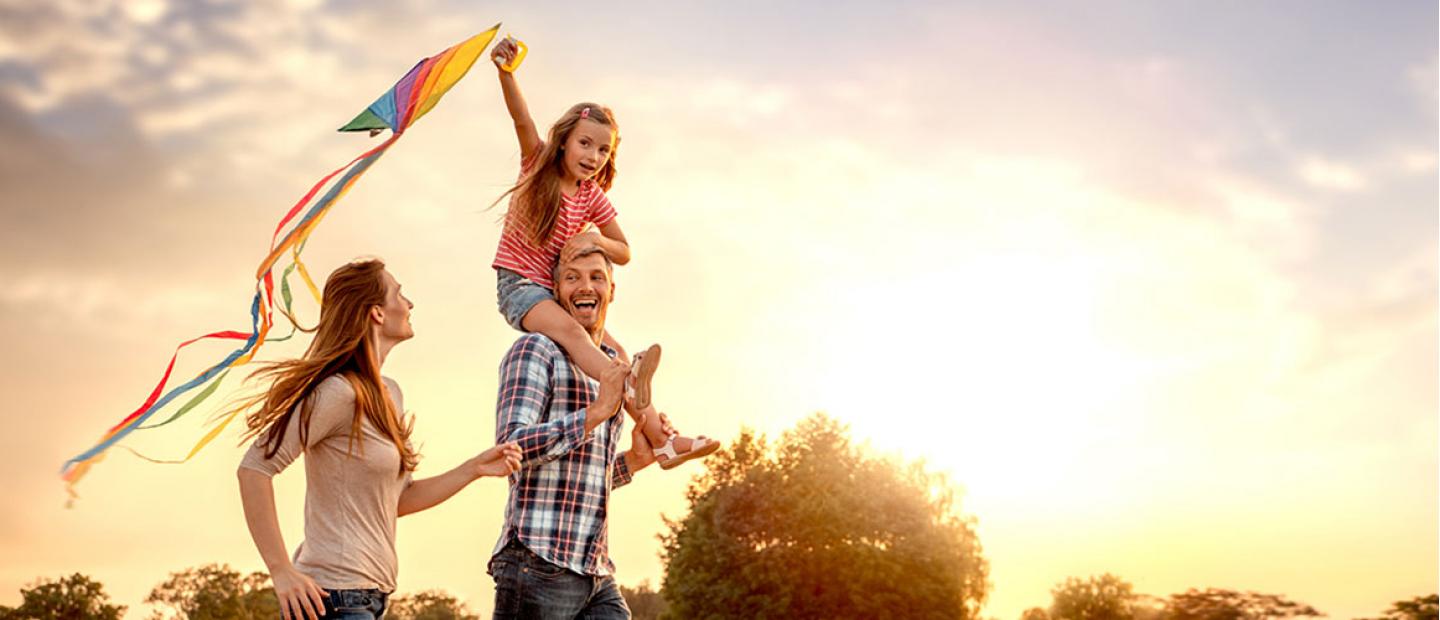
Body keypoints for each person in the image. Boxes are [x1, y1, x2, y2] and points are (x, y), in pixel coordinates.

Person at [236, 258, 523, 620]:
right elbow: (254, 469)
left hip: (369, 601)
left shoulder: (390, 394)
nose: (409, 304)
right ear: (377, 313)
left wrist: (473, 469)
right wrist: (281, 571)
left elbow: (398, 500)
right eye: (399, 294)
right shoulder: (339, 393)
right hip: (334, 599)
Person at [487, 36, 716, 469]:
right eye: (585, 144)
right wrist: (507, 74)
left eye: (603, 149)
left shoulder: (591, 196)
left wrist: (595, 240)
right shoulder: (538, 166)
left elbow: (624, 250)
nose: (593, 156)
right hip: (519, 287)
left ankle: (663, 442)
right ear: (564, 143)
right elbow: (521, 120)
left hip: (554, 293)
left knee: (617, 352)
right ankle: (623, 381)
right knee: (578, 338)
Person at [489, 247, 681, 619]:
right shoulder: (535, 349)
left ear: (611, 289)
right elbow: (509, 448)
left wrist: (636, 461)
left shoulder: (611, 364)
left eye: (595, 277)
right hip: (536, 563)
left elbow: (581, 479)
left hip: (595, 570)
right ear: (556, 290)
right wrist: (594, 414)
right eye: (572, 277)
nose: (584, 286)